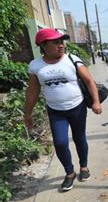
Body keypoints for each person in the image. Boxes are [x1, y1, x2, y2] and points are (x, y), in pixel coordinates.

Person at [24, 28, 102, 192]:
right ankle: (69, 173)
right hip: (55, 110)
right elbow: (32, 90)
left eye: (62, 42)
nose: (61, 45)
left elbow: (89, 81)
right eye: (56, 42)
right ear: (43, 46)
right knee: (60, 143)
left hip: (77, 107)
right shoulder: (35, 66)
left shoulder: (72, 59)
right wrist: (28, 113)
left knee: (79, 138)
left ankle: (84, 167)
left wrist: (96, 102)